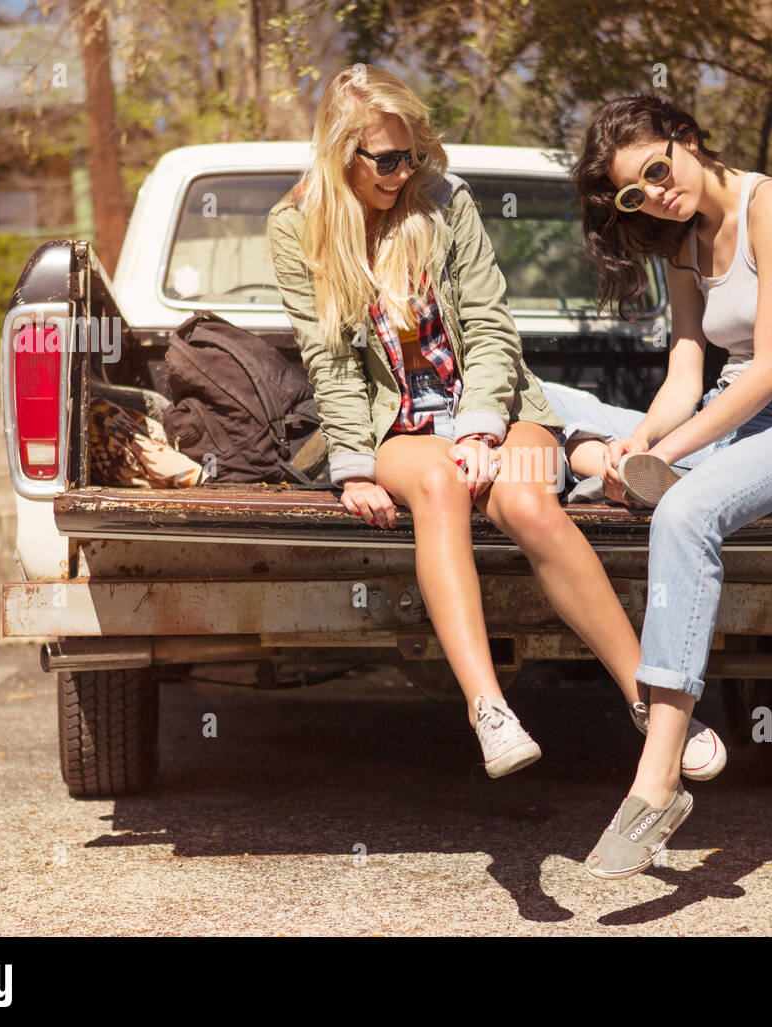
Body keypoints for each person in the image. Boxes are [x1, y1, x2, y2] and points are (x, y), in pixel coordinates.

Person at [265, 67, 726, 782]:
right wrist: (352, 465)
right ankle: (489, 709)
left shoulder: (444, 201)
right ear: (338, 153)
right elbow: (329, 359)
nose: (402, 171)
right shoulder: (297, 226)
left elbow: (488, 327)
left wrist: (480, 429)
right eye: (385, 160)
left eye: (411, 153)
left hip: (501, 404)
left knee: (527, 501)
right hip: (400, 426)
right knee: (443, 488)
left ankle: (652, 699)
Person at [569, 94, 772, 878]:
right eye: (635, 192)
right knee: (588, 444)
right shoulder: (683, 245)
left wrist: (671, 456)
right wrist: (642, 440)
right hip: (730, 429)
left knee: (683, 512)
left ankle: (656, 781)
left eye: (657, 169)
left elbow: (765, 370)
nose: (656, 193)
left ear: (685, 138)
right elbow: (686, 372)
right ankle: (616, 463)